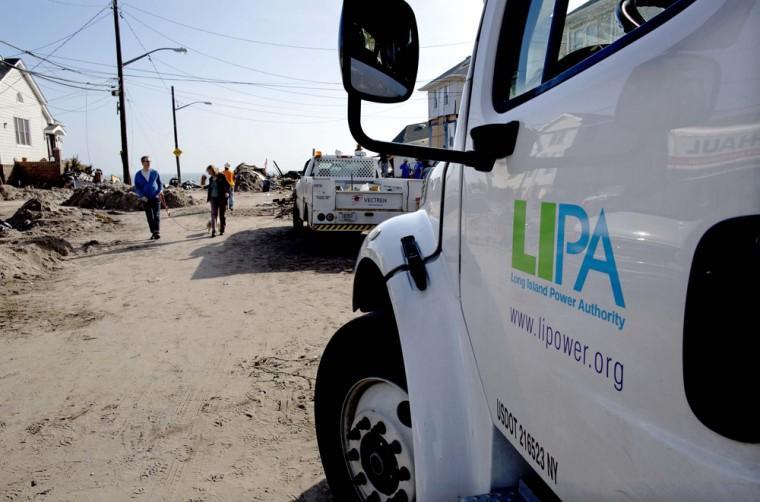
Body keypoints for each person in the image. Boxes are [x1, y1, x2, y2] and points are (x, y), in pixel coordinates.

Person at [134, 155, 163, 240]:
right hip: (145, 199)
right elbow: (137, 187)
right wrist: (142, 196)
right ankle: (153, 232)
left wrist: (160, 192)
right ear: (142, 163)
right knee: (150, 217)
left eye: (149, 161)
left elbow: (160, 184)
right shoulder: (138, 175)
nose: (148, 163)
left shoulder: (155, 172)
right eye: (146, 161)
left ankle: (156, 232)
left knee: (156, 215)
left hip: (155, 197)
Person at [206, 165, 230, 238]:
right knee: (213, 214)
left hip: (221, 198)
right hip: (213, 198)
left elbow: (227, 185)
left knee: (222, 215)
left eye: (210, 171)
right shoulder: (210, 179)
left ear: (213, 170)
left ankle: (222, 229)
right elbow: (210, 187)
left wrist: (226, 192)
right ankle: (214, 230)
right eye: (208, 171)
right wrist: (204, 187)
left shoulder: (221, 176)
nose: (209, 173)